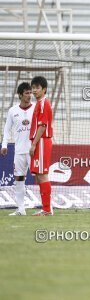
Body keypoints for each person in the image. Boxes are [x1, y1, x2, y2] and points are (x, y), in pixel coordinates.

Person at [1, 83, 34, 216]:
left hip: (33, 150)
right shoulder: (12, 111)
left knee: (40, 176)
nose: (29, 95)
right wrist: (4, 145)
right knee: (19, 179)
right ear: (20, 95)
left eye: (30, 92)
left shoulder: (36, 108)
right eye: (26, 93)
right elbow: (7, 129)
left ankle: (47, 207)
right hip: (19, 150)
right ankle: (21, 209)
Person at [29, 76, 54, 216]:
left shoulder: (44, 103)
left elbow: (43, 126)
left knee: (43, 175)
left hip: (42, 141)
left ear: (44, 89)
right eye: (33, 87)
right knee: (39, 176)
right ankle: (46, 207)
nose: (34, 90)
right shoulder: (39, 103)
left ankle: (47, 209)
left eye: (37, 87)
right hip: (40, 142)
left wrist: (34, 144)